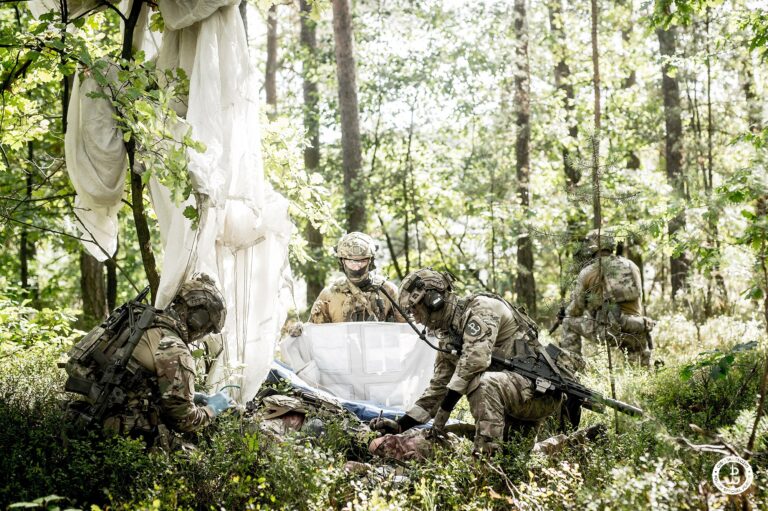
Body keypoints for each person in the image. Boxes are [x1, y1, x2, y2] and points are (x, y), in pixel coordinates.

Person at [370, 268, 562, 455]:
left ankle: (486, 464)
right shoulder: (448, 335)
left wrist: (444, 413)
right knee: (522, 454)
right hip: (513, 403)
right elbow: (438, 389)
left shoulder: (482, 308)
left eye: (415, 309)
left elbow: (474, 361)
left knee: (482, 383)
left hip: (537, 394)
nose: (417, 319)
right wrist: (401, 425)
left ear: (433, 300)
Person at [63, 274, 232, 451]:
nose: (205, 335)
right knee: (194, 457)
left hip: (79, 417)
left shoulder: (135, 320)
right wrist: (213, 408)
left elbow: (135, 381)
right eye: (209, 329)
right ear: (199, 320)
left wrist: (193, 396)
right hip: (118, 440)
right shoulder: (174, 348)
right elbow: (184, 421)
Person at [560, 229, 655, 369]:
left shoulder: (588, 272)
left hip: (609, 332)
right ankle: (644, 373)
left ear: (591, 247)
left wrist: (568, 312)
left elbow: (576, 309)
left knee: (568, 322)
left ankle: (572, 369)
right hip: (636, 328)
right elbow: (638, 299)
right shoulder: (631, 266)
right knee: (639, 370)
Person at [307, 232, 405, 324]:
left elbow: (407, 332)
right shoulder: (329, 294)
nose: (357, 267)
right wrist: (299, 331)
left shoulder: (388, 291)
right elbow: (314, 332)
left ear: (371, 261)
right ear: (342, 262)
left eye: (362, 261)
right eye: (351, 261)